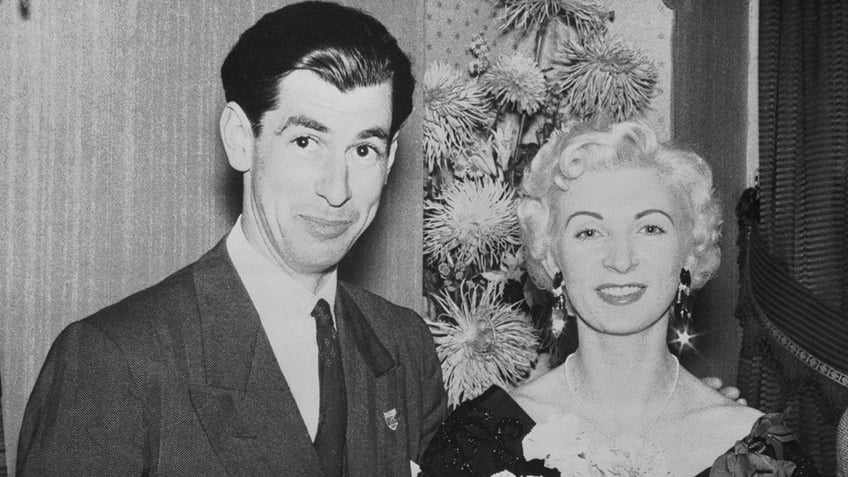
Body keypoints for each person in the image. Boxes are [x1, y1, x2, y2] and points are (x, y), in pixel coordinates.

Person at [16, 2, 447, 475]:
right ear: (240, 138)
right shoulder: (114, 363)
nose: (337, 189)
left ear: (389, 164)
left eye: (363, 149)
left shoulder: (404, 345)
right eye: (306, 142)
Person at [419, 121, 818, 476]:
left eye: (650, 229)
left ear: (691, 251)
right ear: (551, 257)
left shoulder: (761, 456)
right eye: (589, 233)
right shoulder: (482, 440)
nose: (621, 260)